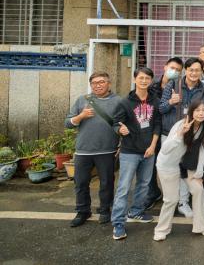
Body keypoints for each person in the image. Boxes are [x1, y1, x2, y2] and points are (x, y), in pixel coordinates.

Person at [110, 67, 161, 240]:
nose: (144, 81)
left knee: (144, 184)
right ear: (134, 79)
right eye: (141, 78)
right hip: (130, 151)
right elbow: (115, 123)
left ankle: (136, 211)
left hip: (148, 150)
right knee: (124, 187)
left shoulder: (155, 100)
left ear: (151, 81)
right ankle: (118, 222)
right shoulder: (125, 102)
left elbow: (157, 124)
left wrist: (153, 146)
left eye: (147, 78)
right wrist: (120, 129)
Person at [66, 71, 123, 227]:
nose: (98, 85)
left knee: (107, 183)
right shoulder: (82, 100)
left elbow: (122, 123)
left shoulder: (118, 101)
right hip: (83, 150)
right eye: (94, 83)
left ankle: (105, 209)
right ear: (91, 85)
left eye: (101, 82)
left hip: (107, 150)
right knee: (80, 183)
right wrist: (81, 116)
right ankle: (82, 211)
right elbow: (68, 123)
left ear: (108, 84)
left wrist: (121, 143)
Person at [153, 99, 204, 240]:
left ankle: (201, 226)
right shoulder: (181, 124)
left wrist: (199, 174)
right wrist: (180, 134)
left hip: (185, 164)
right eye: (197, 110)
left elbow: (202, 150)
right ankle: (161, 230)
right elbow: (165, 149)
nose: (201, 113)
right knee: (171, 199)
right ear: (191, 112)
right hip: (168, 165)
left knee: (198, 190)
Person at [159, 57, 204, 218]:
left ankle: (183, 202)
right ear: (185, 71)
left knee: (186, 169)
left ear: (201, 72)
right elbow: (161, 108)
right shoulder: (173, 85)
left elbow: (203, 110)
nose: (194, 73)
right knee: (170, 168)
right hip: (171, 133)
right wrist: (170, 102)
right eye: (191, 70)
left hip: (191, 136)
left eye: (197, 70)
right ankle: (171, 200)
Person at [143, 57, 183, 209]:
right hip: (152, 129)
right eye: (172, 68)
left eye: (178, 70)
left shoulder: (179, 87)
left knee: (170, 163)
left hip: (168, 130)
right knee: (151, 163)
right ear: (165, 67)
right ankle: (152, 192)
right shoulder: (151, 86)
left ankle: (175, 196)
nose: (174, 71)